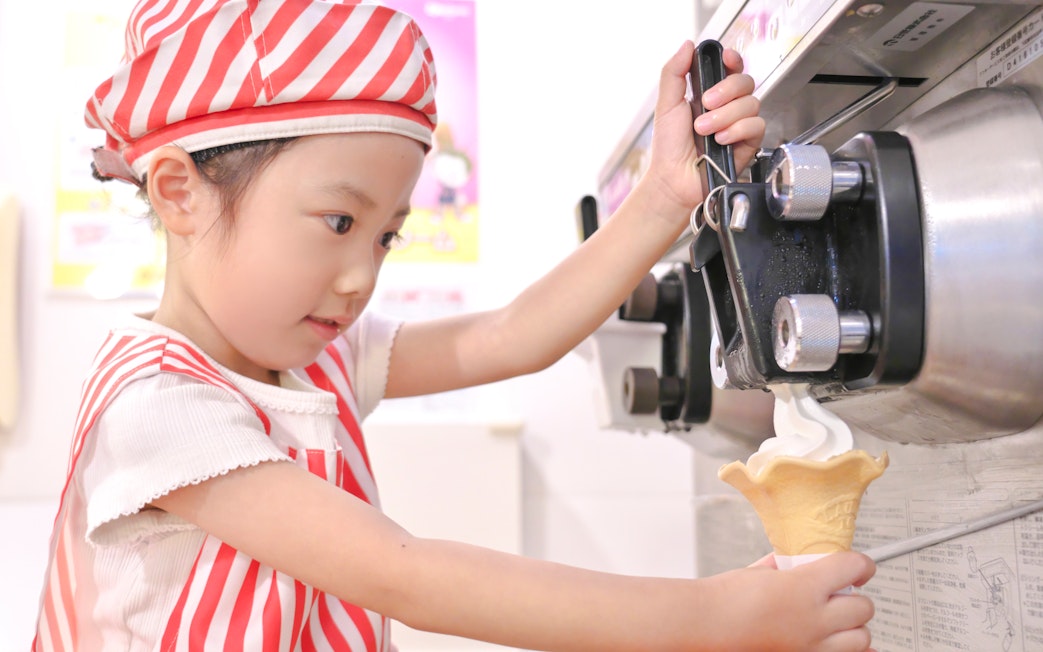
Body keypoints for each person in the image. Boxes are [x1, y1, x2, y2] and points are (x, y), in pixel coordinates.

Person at [34, 1, 877, 650]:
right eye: (338, 222)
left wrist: (661, 198)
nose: (363, 274)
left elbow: (510, 336)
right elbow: (400, 573)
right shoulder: (157, 407)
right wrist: (705, 620)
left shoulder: (313, 358)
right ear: (179, 192)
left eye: (387, 235)